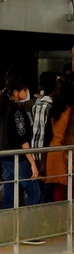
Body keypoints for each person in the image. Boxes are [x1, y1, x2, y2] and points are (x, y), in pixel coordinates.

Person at [0, 76, 42, 209]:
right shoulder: (17, 111)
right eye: (24, 90)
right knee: (35, 192)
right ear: (16, 92)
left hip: (5, 155)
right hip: (17, 156)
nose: (27, 92)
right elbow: (23, 140)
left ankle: (8, 223)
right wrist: (32, 163)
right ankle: (27, 222)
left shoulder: (4, 106)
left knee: (10, 190)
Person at [45, 80, 74, 202]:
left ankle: (59, 217)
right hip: (67, 152)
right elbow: (73, 135)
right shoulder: (73, 111)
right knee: (73, 188)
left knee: (59, 187)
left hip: (53, 150)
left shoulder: (55, 109)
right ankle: (72, 218)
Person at [31, 71, 58, 198]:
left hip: (34, 148)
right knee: (49, 186)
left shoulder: (36, 105)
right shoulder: (52, 105)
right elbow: (50, 132)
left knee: (39, 186)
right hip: (47, 151)